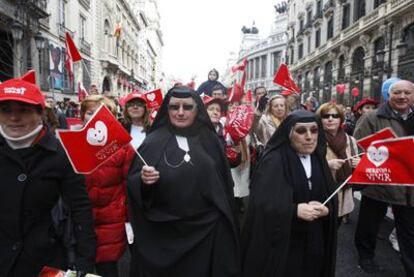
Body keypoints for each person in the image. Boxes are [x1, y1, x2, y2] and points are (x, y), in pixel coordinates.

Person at [127, 86, 240, 276]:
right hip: (163, 234)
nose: (180, 113)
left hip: (206, 232)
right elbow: (133, 185)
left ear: (197, 110)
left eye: (187, 107)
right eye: (174, 107)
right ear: (167, 110)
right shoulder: (152, 141)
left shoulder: (211, 141)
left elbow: (224, 187)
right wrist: (143, 181)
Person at [0, 78, 96, 275]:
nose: (14, 118)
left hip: (44, 261)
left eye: (23, 110)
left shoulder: (62, 154)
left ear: (40, 114)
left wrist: (84, 262)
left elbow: (81, 209)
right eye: (6, 110)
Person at [241, 110, 337, 277]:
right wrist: (293, 210)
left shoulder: (318, 158)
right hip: (283, 241)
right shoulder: (273, 160)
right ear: (288, 133)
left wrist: (327, 209)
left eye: (314, 130)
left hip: (314, 238)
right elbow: (261, 203)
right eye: (301, 131)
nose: (309, 137)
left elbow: (329, 194)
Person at [353, 79, 414, 276]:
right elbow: (359, 145)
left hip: (408, 186)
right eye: (397, 93)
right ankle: (365, 257)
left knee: (409, 231)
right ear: (389, 95)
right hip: (379, 182)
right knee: (369, 225)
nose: (402, 96)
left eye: (407, 92)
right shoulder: (372, 117)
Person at [80, 95, 134, 277]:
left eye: (101, 113)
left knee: (106, 268)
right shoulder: (71, 144)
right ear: (82, 115)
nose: (94, 117)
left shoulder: (123, 146)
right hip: (79, 220)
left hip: (111, 219)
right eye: (90, 112)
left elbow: (129, 184)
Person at [316, 103, 359, 226]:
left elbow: (356, 164)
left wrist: (359, 164)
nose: (330, 119)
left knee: (336, 228)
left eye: (335, 116)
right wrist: (327, 165)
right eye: (326, 116)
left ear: (340, 119)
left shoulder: (350, 140)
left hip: (342, 191)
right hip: (321, 191)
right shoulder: (314, 138)